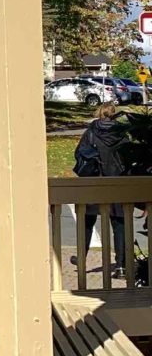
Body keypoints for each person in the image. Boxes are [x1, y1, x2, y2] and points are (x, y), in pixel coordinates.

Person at [75, 103, 129, 276]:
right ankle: (121, 265)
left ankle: (82, 259)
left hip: (94, 182)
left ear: (99, 113)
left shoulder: (91, 132)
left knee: (87, 221)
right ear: (113, 115)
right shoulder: (121, 134)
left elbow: (79, 154)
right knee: (119, 223)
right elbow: (129, 156)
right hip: (117, 182)